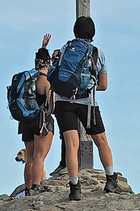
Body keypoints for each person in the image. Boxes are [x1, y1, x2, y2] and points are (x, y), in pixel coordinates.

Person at [49, 17, 131, 201]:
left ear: (75, 31)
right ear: (93, 33)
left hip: (63, 102)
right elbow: (104, 85)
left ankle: (75, 188)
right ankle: (110, 180)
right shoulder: (98, 53)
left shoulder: (64, 49)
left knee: (71, 145)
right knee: (101, 140)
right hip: (86, 102)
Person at [16, 38, 58, 194]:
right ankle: (36, 186)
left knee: (30, 158)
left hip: (25, 121)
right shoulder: (46, 81)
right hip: (41, 121)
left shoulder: (28, 78)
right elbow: (52, 106)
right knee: (40, 157)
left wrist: (43, 47)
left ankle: (27, 189)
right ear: (49, 64)